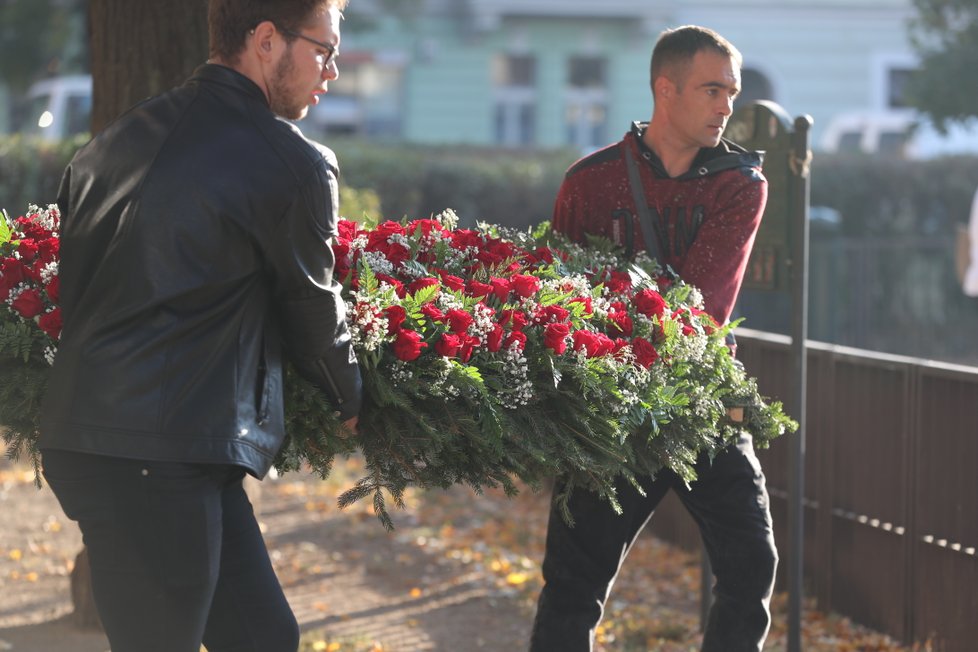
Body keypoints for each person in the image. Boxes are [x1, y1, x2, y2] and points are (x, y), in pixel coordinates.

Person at [38, 1, 362, 650]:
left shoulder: (105, 147)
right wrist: (356, 402)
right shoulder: (291, 161)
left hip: (139, 445)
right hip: (157, 454)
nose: (332, 72)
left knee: (265, 637)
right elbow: (309, 306)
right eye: (323, 50)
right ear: (266, 40)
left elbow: (75, 297)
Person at [529, 25, 777, 652]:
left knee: (752, 565)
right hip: (610, 411)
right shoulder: (588, 182)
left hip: (700, 402)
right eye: (712, 89)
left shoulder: (739, 184)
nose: (727, 106)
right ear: (666, 89)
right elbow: (561, 299)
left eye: (733, 92)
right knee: (571, 585)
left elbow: (700, 307)